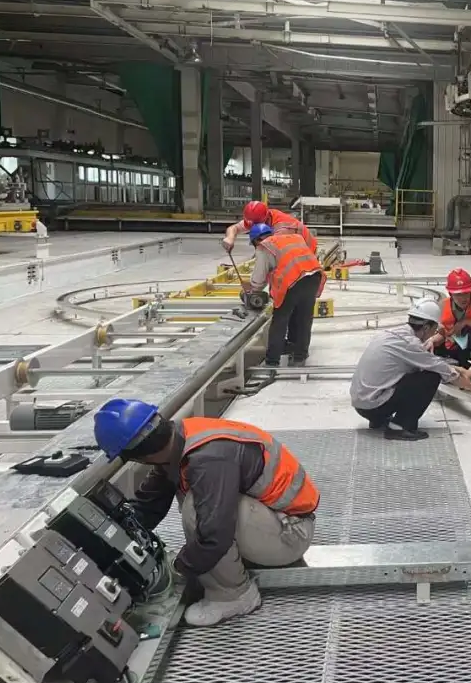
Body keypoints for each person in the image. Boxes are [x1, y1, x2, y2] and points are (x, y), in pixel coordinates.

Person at [93, 399, 319, 627]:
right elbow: (148, 506)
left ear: (137, 456)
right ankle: (229, 574)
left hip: (291, 536)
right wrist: (108, 540)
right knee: (205, 508)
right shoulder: (180, 440)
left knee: (197, 508)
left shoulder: (208, 458)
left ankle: (235, 596)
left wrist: (178, 568)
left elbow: (215, 535)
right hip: (270, 523)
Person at [351, 299, 471, 440]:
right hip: (373, 406)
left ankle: (378, 420)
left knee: (418, 371)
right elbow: (444, 371)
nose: (433, 334)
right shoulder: (410, 344)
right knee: (431, 376)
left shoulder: (394, 334)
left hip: (362, 403)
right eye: (434, 330)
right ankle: (399, 427)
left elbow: (430, 361)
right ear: (426, 327)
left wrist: (464, 370)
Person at [246, 223, 323, 368]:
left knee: (280, 320)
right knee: (303, 319)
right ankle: (299, 357)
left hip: (292, 280)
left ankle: (272, 362)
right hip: (314, 277)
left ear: (256, 240)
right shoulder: (294, 238)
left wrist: (252, 290)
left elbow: (259, 278)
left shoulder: (264, 246)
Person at [430, 268, 471, 367]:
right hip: (450, 346)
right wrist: (433, 340)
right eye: (458, 294)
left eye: (466, 293)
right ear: (451, 294)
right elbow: (440, 333)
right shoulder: (442, 306)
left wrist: (466, 322)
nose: (463, 298)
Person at [222, 200, 317, 256]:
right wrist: (230, 238)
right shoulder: (259, 217)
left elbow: (272, 254)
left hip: (307, 252)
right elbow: (235, 228)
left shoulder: (282, 229)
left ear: (265, 219)